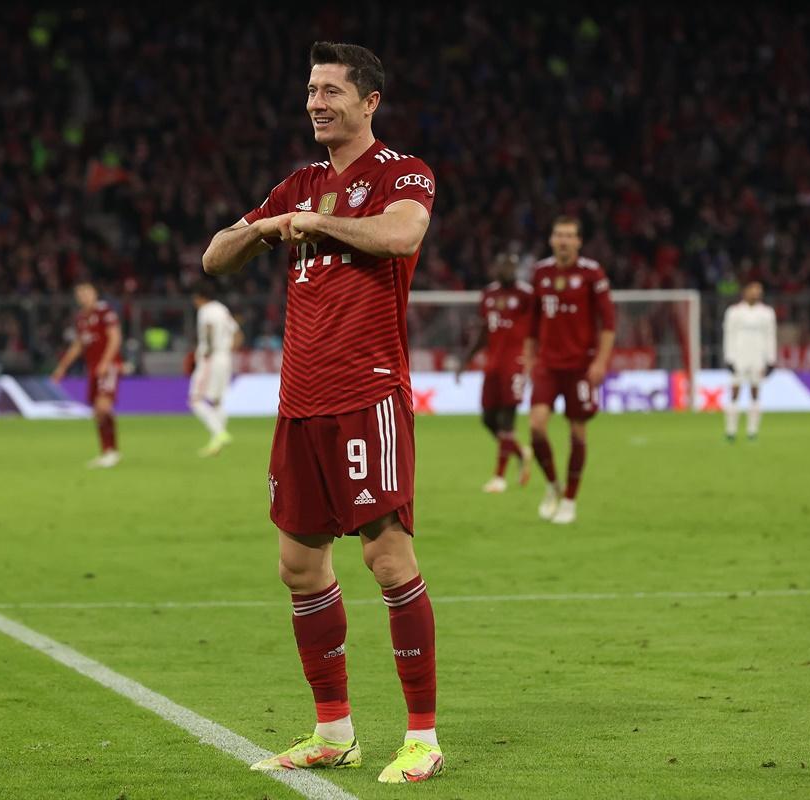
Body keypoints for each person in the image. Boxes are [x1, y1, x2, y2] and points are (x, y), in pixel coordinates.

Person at [201, 41, 443, 784]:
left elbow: (401, 235)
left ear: (369, 102)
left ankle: (423, 738)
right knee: (299, 566)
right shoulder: (299, 182)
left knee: (386, 555)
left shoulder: (402, 172)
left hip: (366, 394)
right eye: (311, 89)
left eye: (332, 91)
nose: (316, 102)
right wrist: (267, 227)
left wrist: (317, 224)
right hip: (298, 402)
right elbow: (215, 257)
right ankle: (334, 731)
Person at [524, 217, 616, 524]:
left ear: (578, 241)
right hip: (548, 366)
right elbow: (532, 323)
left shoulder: (592, 273)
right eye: (558, 234)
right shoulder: (541, 272)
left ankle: (570, 501)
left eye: (569, 236)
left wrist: (600, 361)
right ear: (552, 239)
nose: (563, 240)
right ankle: (553, 485)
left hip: (580, 366)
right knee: (536, 426)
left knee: (578, 431)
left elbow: (609, 324)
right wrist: (529, 359)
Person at [456, 253, 535, 493]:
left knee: (506, 419)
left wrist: (533, 361)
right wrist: (466, 360)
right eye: (502, 265)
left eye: (510, 266)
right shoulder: (488, 294)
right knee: (488, 419)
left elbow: (538, 330)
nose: (506, 270)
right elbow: (483, 331)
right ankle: (521, 452)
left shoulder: (526, 295)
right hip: (493, 363)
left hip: (516, 362)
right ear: (494, 268)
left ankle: (499, 477)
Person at [51, 280, 122, 468]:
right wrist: (62, 367)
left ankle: (111, 451)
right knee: (98, 413)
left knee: (102, 407)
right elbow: (78, 345)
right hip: (93, 369)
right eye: (80, 294)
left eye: (87, 292)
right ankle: (108, 451)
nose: (84, 296)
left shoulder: (104, 312)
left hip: (108, 367)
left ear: (95, 293)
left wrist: (106, 362)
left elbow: (115, 337)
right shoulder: (81, 318)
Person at [190, 281, 242, 456]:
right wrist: (229, 351)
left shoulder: (205, 311)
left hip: (211, 358)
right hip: (225, 357)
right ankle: (216, 443)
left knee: (195, 400)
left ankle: (219, 433)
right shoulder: (221, 309)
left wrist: (209, 352)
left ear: (199, 297)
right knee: (218, 400)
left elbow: (209, 328)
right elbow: (237, 333)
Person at [723, 282, 777, 441]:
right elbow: (728, 335)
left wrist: (771, 359)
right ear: (745, 292)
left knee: (755, 392)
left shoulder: (767, 313)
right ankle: (730, 431)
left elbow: (770, 336)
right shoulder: (734, 312)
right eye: (752, 290)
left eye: (758, 291)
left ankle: (752, 431)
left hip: (757, 357)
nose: (755, 293)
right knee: (734, 392)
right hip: (739, 356)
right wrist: (728, 358)